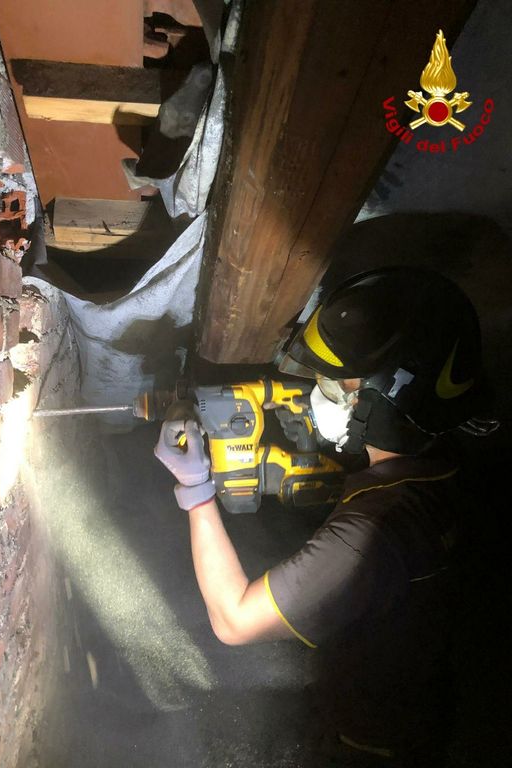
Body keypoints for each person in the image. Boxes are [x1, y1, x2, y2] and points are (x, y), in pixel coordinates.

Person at [154, 266, 486, 766]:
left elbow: (234, 621)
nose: (322, 390)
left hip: (367, 749)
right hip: (423, 711)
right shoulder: (442, 473)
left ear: (387, 396)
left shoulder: (368, 532)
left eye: (338, 383)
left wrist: (196, 490)